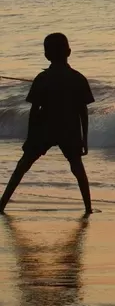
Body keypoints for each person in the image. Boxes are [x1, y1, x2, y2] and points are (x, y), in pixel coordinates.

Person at [0, 34, 94, 216]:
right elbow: (83, 112)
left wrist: (30, 137)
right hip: (70, 129)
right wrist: (85, 139)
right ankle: (88, 208)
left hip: (44, 129)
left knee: (22, 166)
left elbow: (34, 111)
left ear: (46, 55)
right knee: (77, 168)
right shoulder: (78, 78)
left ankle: (2, 204)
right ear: (69, 52)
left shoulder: (42, 78)